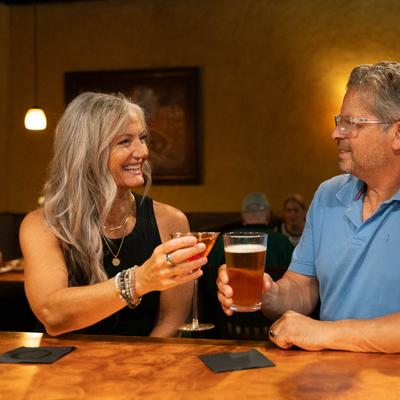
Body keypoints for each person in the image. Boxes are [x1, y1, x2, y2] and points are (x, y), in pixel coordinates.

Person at [217, 61, 400, 353]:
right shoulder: (328, 194)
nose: (336, 134)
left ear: (397, 133)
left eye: (351, 124)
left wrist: (325, 334)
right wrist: (266, 292)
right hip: (329, 381)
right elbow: (303, 287)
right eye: (339, 121)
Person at [19, 92, 207, 337]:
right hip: (61, 368)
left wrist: (137, 370)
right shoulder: (42, 225)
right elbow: (53, 316)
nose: (142, 152)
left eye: (141, 138)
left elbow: (170, 323)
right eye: (125, 142)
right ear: (87, 153)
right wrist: (138, 280)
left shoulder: (171, 220)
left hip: (143, 368)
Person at [202, 192, 294, 340]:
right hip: (274, 328)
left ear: (243, 216)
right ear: (268, 215)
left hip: (229, 327)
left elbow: (208, 286)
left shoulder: (222, 242)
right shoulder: (283, 242)